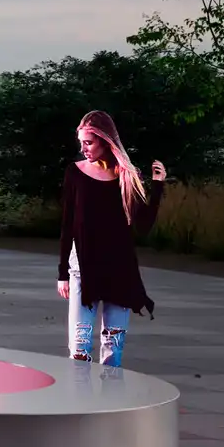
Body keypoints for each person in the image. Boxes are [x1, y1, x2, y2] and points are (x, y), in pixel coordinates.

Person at [57, 110, 166, 368]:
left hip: (119, 270)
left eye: (89, 142)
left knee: (113, 350)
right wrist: (63, 273)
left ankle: (109, 402)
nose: (83, 148)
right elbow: (67, 225)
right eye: (81, 142)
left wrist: (158, 186)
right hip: (82, 269)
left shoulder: (127, 177)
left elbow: (143, 226)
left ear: (105, 141)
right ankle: (81, 403)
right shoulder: (74, 173)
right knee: (79, 350)